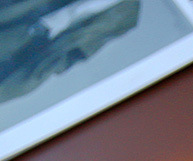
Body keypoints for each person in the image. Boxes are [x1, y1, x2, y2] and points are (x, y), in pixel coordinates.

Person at [0, 0, 140, 104]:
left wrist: (56, 64)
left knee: (12, 85)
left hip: (43, 53)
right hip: (20, 21)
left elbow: (83, 49)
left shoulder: (129, 15)